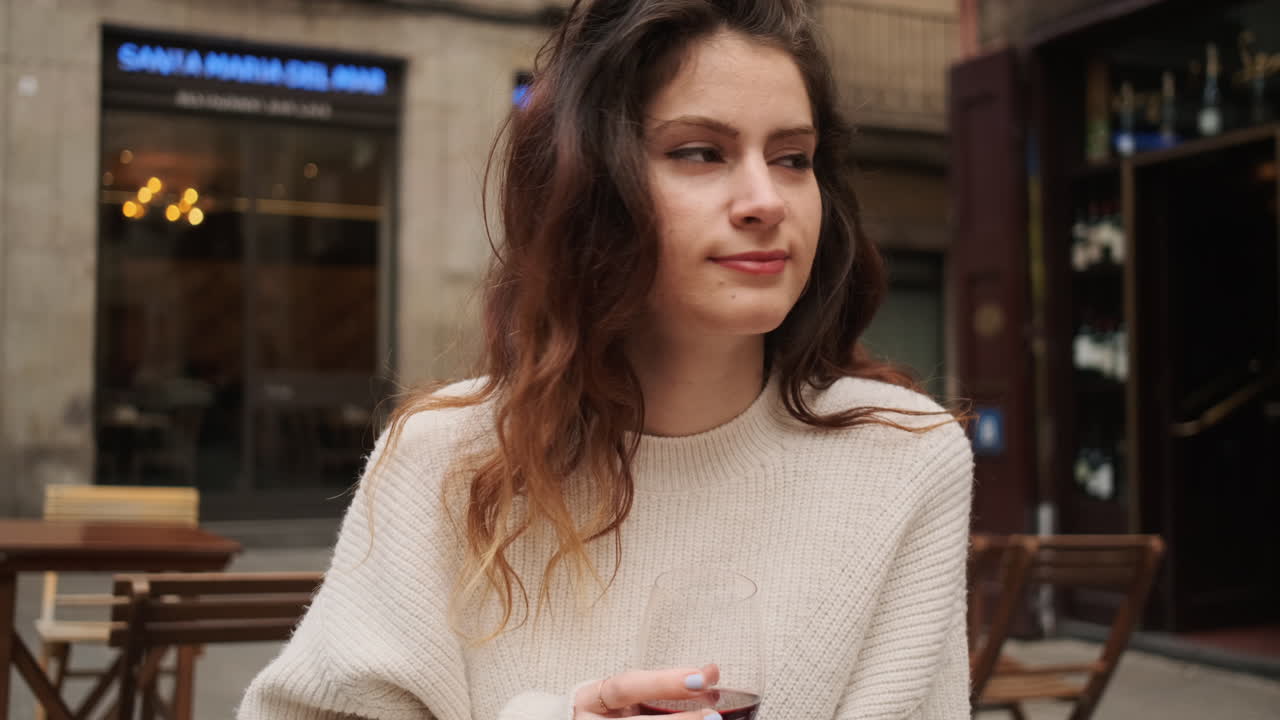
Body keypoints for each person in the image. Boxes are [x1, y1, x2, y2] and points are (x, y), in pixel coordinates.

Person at [238, 0, 973, 718]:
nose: (765, 200)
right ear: (590, 188)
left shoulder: (902, 458)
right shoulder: (444, 459)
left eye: (792, 159)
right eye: (699, 152)